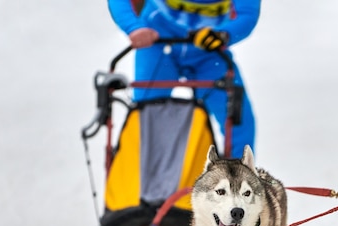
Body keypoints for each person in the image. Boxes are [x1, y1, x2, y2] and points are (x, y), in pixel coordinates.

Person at [107, 0, 260, 159]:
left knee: (239, 121)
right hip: (157, 43)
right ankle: (139, 171)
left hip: (208, 50)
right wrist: (134, 28)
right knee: (145, 117)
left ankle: (238, 175)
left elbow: (247, 15)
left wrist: (223, 34)